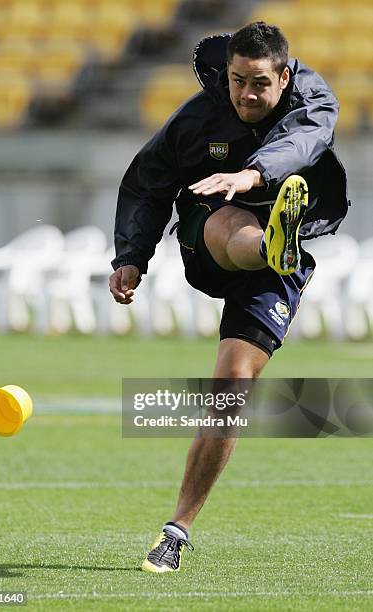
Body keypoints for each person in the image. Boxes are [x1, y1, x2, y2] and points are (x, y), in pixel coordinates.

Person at [109, 22, 349, 572]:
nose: (246, 93)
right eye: (238, 80)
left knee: (229, 395)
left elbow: (305, 140)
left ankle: (175, 533)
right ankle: (271, 244)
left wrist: (253, 174)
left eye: (260, 83)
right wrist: (130, 256)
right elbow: (147, 182)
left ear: (284, 77)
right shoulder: (197, 116)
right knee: (230, 220)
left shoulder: (313, 102)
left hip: (272, 253)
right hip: (210, 230)